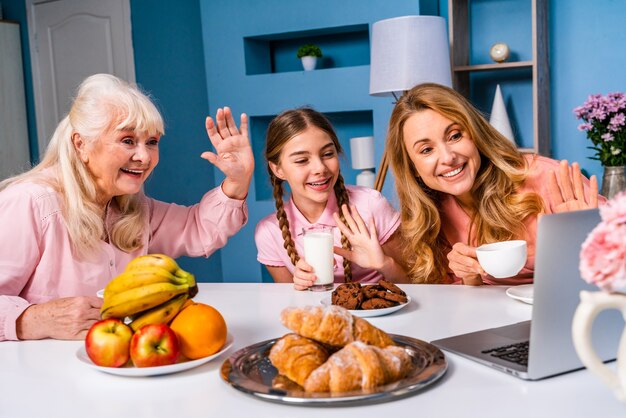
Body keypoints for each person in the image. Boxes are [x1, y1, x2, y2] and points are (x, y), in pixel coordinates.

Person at [0, 74, 254, 341]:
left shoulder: (131, 206)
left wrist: (237, 181)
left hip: (116, 363)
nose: (144, 157)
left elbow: (198, 228)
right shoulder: (30, 203)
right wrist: (32, 320)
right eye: (128, 140)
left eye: (152, 142)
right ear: (81, 144)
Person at [386, 82, 604, 286]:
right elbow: (466, 308)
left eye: (454, 136)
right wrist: (470, 278)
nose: (447, 157)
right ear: (413, 166)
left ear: (475, 134)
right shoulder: (433, 216)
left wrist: (592, 238)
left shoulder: (548, 177)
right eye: (426, 150)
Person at [254, 108, 409, 291]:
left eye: (328, 154)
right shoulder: (269, 232)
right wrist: (299, 286)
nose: (320, 168)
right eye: (302, 160)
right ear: (278, 169)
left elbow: (418, 285)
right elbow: (292, 305)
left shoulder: (371, 205)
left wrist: (384, 264)